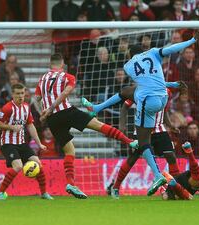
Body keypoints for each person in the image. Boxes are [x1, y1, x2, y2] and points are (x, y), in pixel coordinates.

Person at [81, 31, 199, 196]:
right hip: (162, 98)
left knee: (143, 142)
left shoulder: (128, 66)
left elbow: (143, 80)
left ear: (130, 55)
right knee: (125, 92)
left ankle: (158, 176)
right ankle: (97, 108)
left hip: (149, 103)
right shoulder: (153, 52)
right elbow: (172, 49)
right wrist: (192, 40)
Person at [37, 54, 138, 199]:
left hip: (52, 119)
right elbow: (66, 92)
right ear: (62, 64)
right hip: (65, 111)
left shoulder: (42, 79)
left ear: (50, 64)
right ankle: (130, 142)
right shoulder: (68, 76)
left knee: (69, 151)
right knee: (97, 124)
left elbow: (39, 98)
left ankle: (71, 183)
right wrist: (52, 106)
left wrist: (46, 111)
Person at [99, 88, 181, 199]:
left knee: (171, 156)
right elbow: (125, 106)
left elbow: (164, 110)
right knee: (133, 158)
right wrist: (122, 125)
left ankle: (175, 190)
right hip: (141, 130)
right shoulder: (141, 90)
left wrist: (170, 126)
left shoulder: (167, 91)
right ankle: (115, 187)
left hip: (159, 129)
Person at [0, 83, 53, 200]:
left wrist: (39, 143)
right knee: (18, 166)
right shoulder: (7, 108)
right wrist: (12, 127)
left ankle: (44, 193)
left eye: (22, 93)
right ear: (13, 94)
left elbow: (30, 126)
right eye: (18, 94)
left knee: (37, 163)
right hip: (8, 143)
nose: (20, 96)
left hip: (21, 143)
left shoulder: (26, 107)